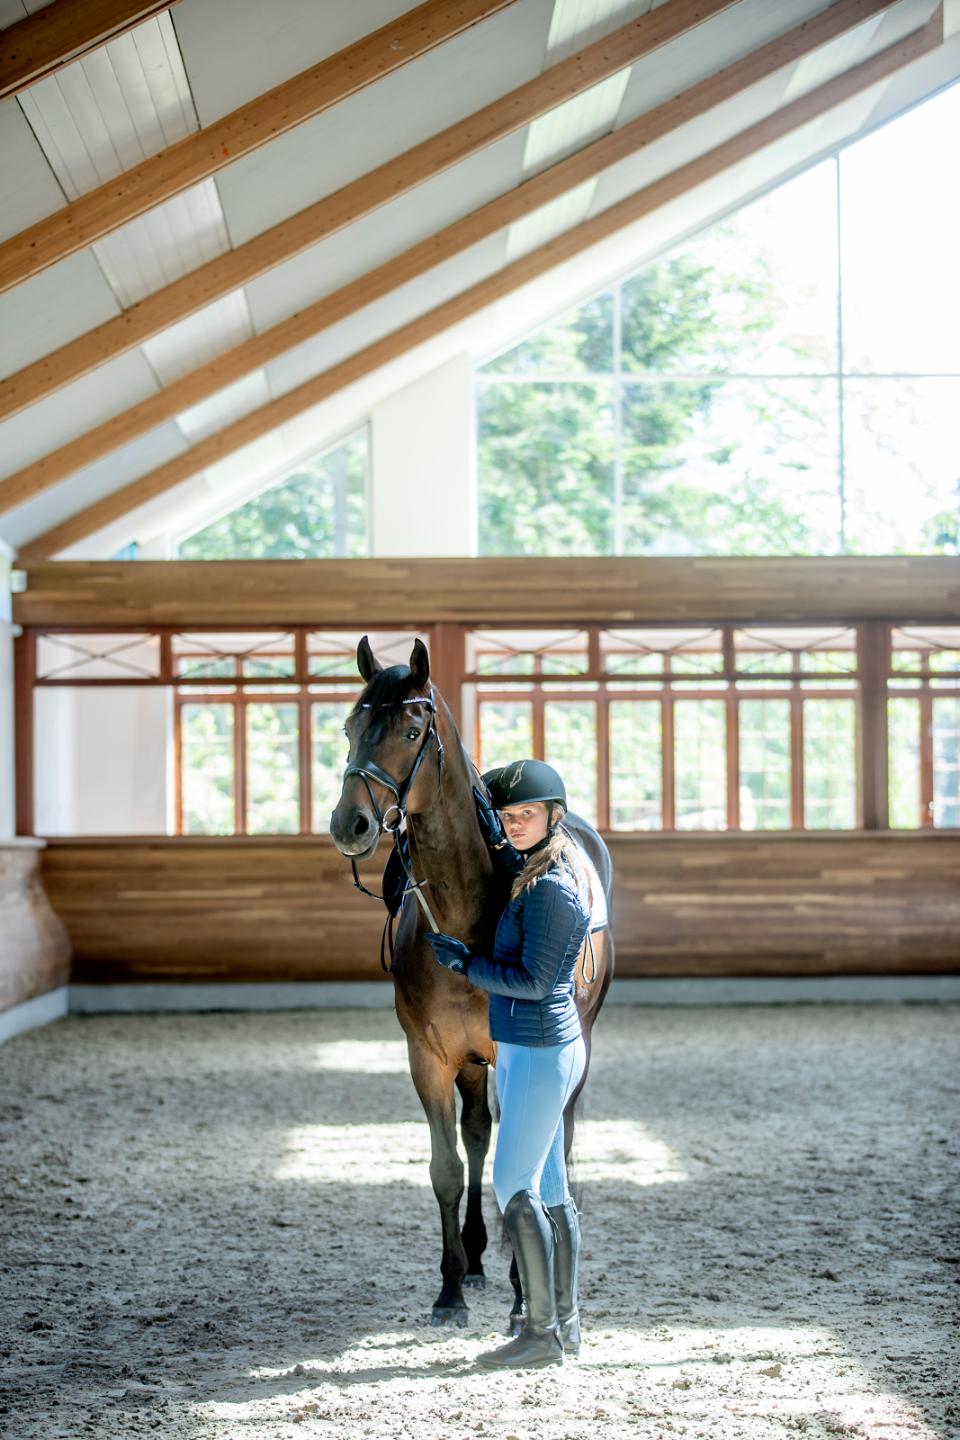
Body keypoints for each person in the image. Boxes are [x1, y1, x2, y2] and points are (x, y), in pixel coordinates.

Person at [426, 759, 592, 1370]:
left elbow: (535, 980)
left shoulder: (550, 889)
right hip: (532, 1048)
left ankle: (540, 1333)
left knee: (511, 1184)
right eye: (510, 816)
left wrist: (465, 965)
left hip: (538, 1048)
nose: (516, 824)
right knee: (550, 1188)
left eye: (528, 815)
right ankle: (563, 1325)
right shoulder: (535, 871)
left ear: (555, 817)